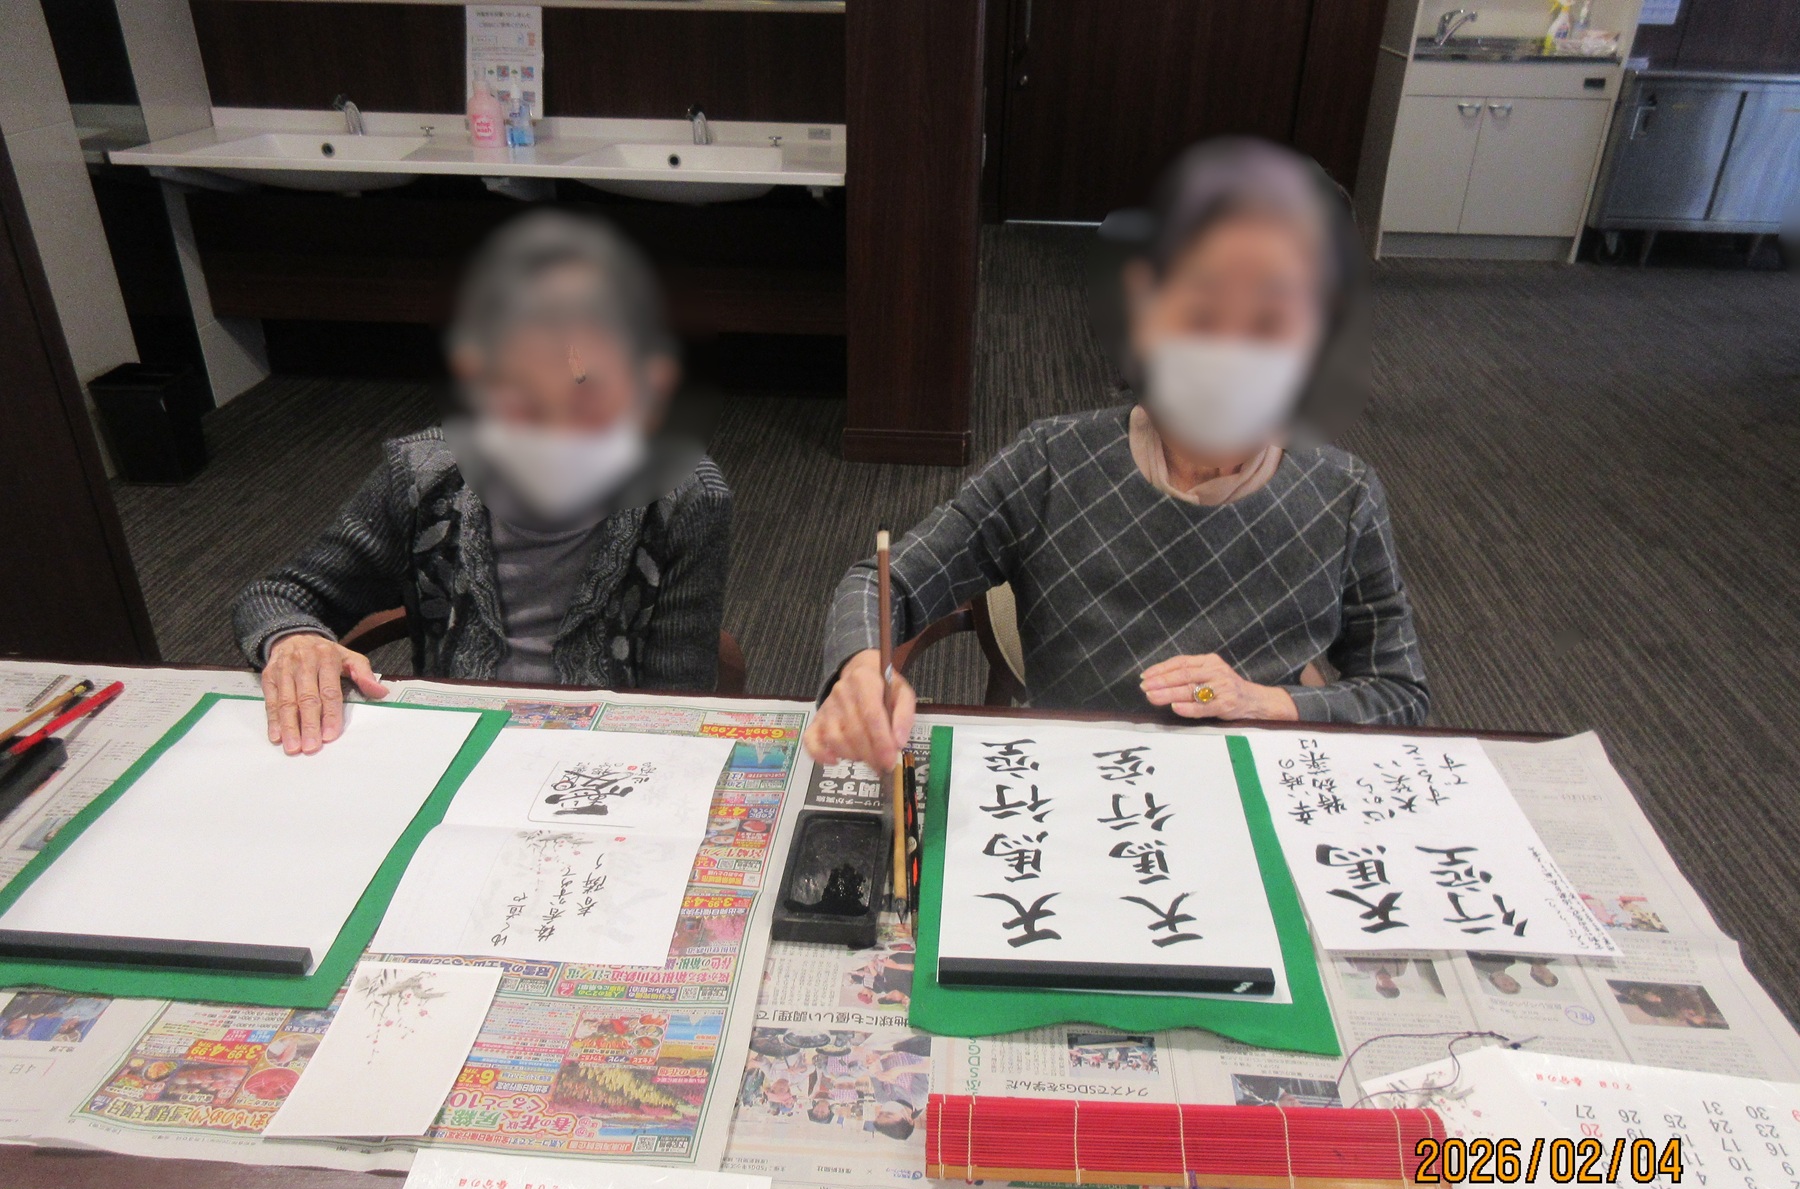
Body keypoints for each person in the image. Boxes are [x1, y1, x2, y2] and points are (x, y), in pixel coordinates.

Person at [805, 138, 1427, 771]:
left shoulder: (1343, 495)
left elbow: (1400, 692)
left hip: (1248, 784)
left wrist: (1263, 701)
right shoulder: (1054, 461)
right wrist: (861, 668)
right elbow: (886, 581)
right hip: (1072, 779)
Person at [233, 211, 732, 755]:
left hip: (602, 754)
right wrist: (295, 639)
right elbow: (277, 595)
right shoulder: (424, 475)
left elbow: (675, 703)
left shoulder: (684, 497)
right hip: (453, 746)